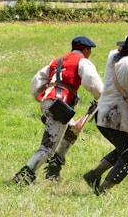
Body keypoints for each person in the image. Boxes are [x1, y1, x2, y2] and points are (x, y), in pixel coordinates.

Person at [12, 36, 103, 184]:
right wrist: (101, 96)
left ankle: (55, 166)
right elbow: (92, 82)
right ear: (86, 50)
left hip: (49, 102)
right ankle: (23, 177)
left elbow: (37, 81)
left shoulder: (57, 61)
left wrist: (40, 97)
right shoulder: (83, 62)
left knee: (72, 131)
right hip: (59, 106)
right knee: (47, 148)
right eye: (90, 51)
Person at [83, 31, 128, 195]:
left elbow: (119, 48)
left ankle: (94, 175)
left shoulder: (114, 57)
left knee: (123, 149)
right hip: (118, 118)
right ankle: (102, 191)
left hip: (102, 115)